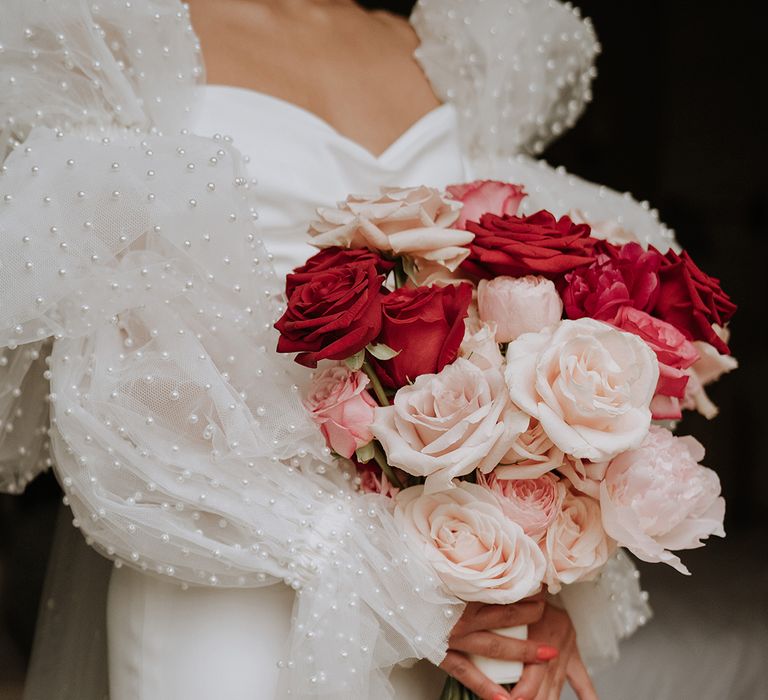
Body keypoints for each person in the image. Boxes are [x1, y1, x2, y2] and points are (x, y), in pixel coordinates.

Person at [0, 1, 664, 698]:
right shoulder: (122, 29)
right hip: (232, 580)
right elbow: (117, 404)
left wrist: (529, 568)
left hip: (454, 592)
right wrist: (390, 575)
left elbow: (505, 320)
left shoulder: (451, 48)